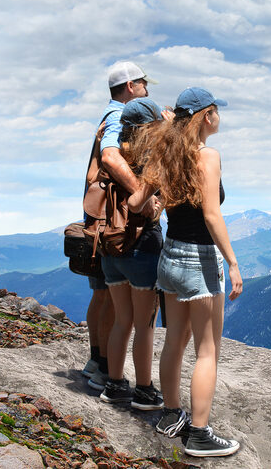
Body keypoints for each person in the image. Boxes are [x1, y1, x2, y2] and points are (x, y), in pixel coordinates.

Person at [128, 87, 243, 457]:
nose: (219, 117)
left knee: (174, 340)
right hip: (200, 260)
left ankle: (170, 414)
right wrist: (233, 262)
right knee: (207, 351)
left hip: (170, 257)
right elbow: (211, 214)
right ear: (206, 115)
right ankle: (199, 433)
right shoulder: (208, 156)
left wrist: (158, 199)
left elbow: (134, 202)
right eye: (216, 112)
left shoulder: (164, 154)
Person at [90, 63, 165, 413]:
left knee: (122, 320)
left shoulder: (114, 151)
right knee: (144, 326)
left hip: (110, 243)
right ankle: (145, 390)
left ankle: (115, 384)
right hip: (141, 245)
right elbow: (146, 202)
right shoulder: (148, 158)